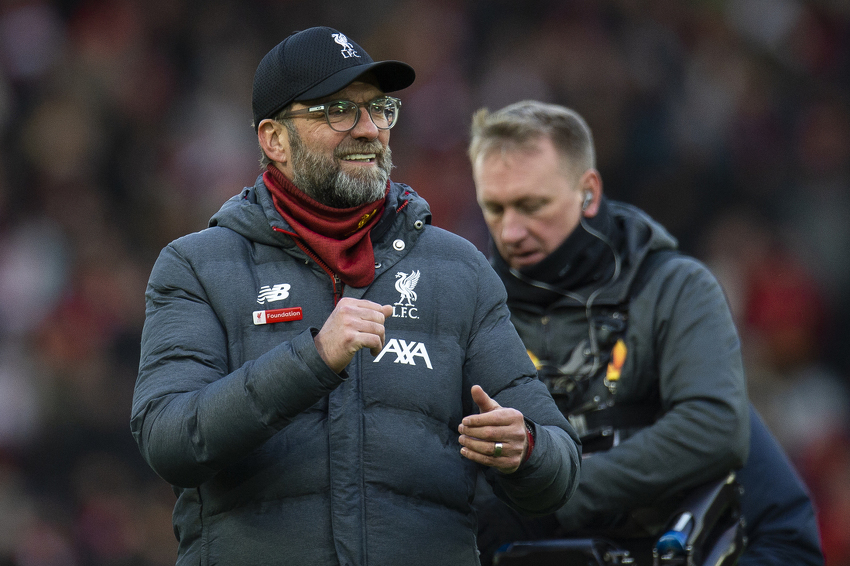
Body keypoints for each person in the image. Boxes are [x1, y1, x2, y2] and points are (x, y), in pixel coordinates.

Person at [130, 30, 581, 566]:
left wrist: (525, 448)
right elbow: (169, 440)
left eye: (379, 109)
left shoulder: (459, 269)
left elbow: (559, 469)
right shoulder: (197, 266)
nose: (368, 130)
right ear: (275, 140)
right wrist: (313, 358)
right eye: (338, 111)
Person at [468, 100, 823, 565]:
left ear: (588, 193)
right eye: (494, 208)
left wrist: (556, 490)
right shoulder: (473, 305)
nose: (510, 231)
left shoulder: (674, 288)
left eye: (532, 205)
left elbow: (714, 427)